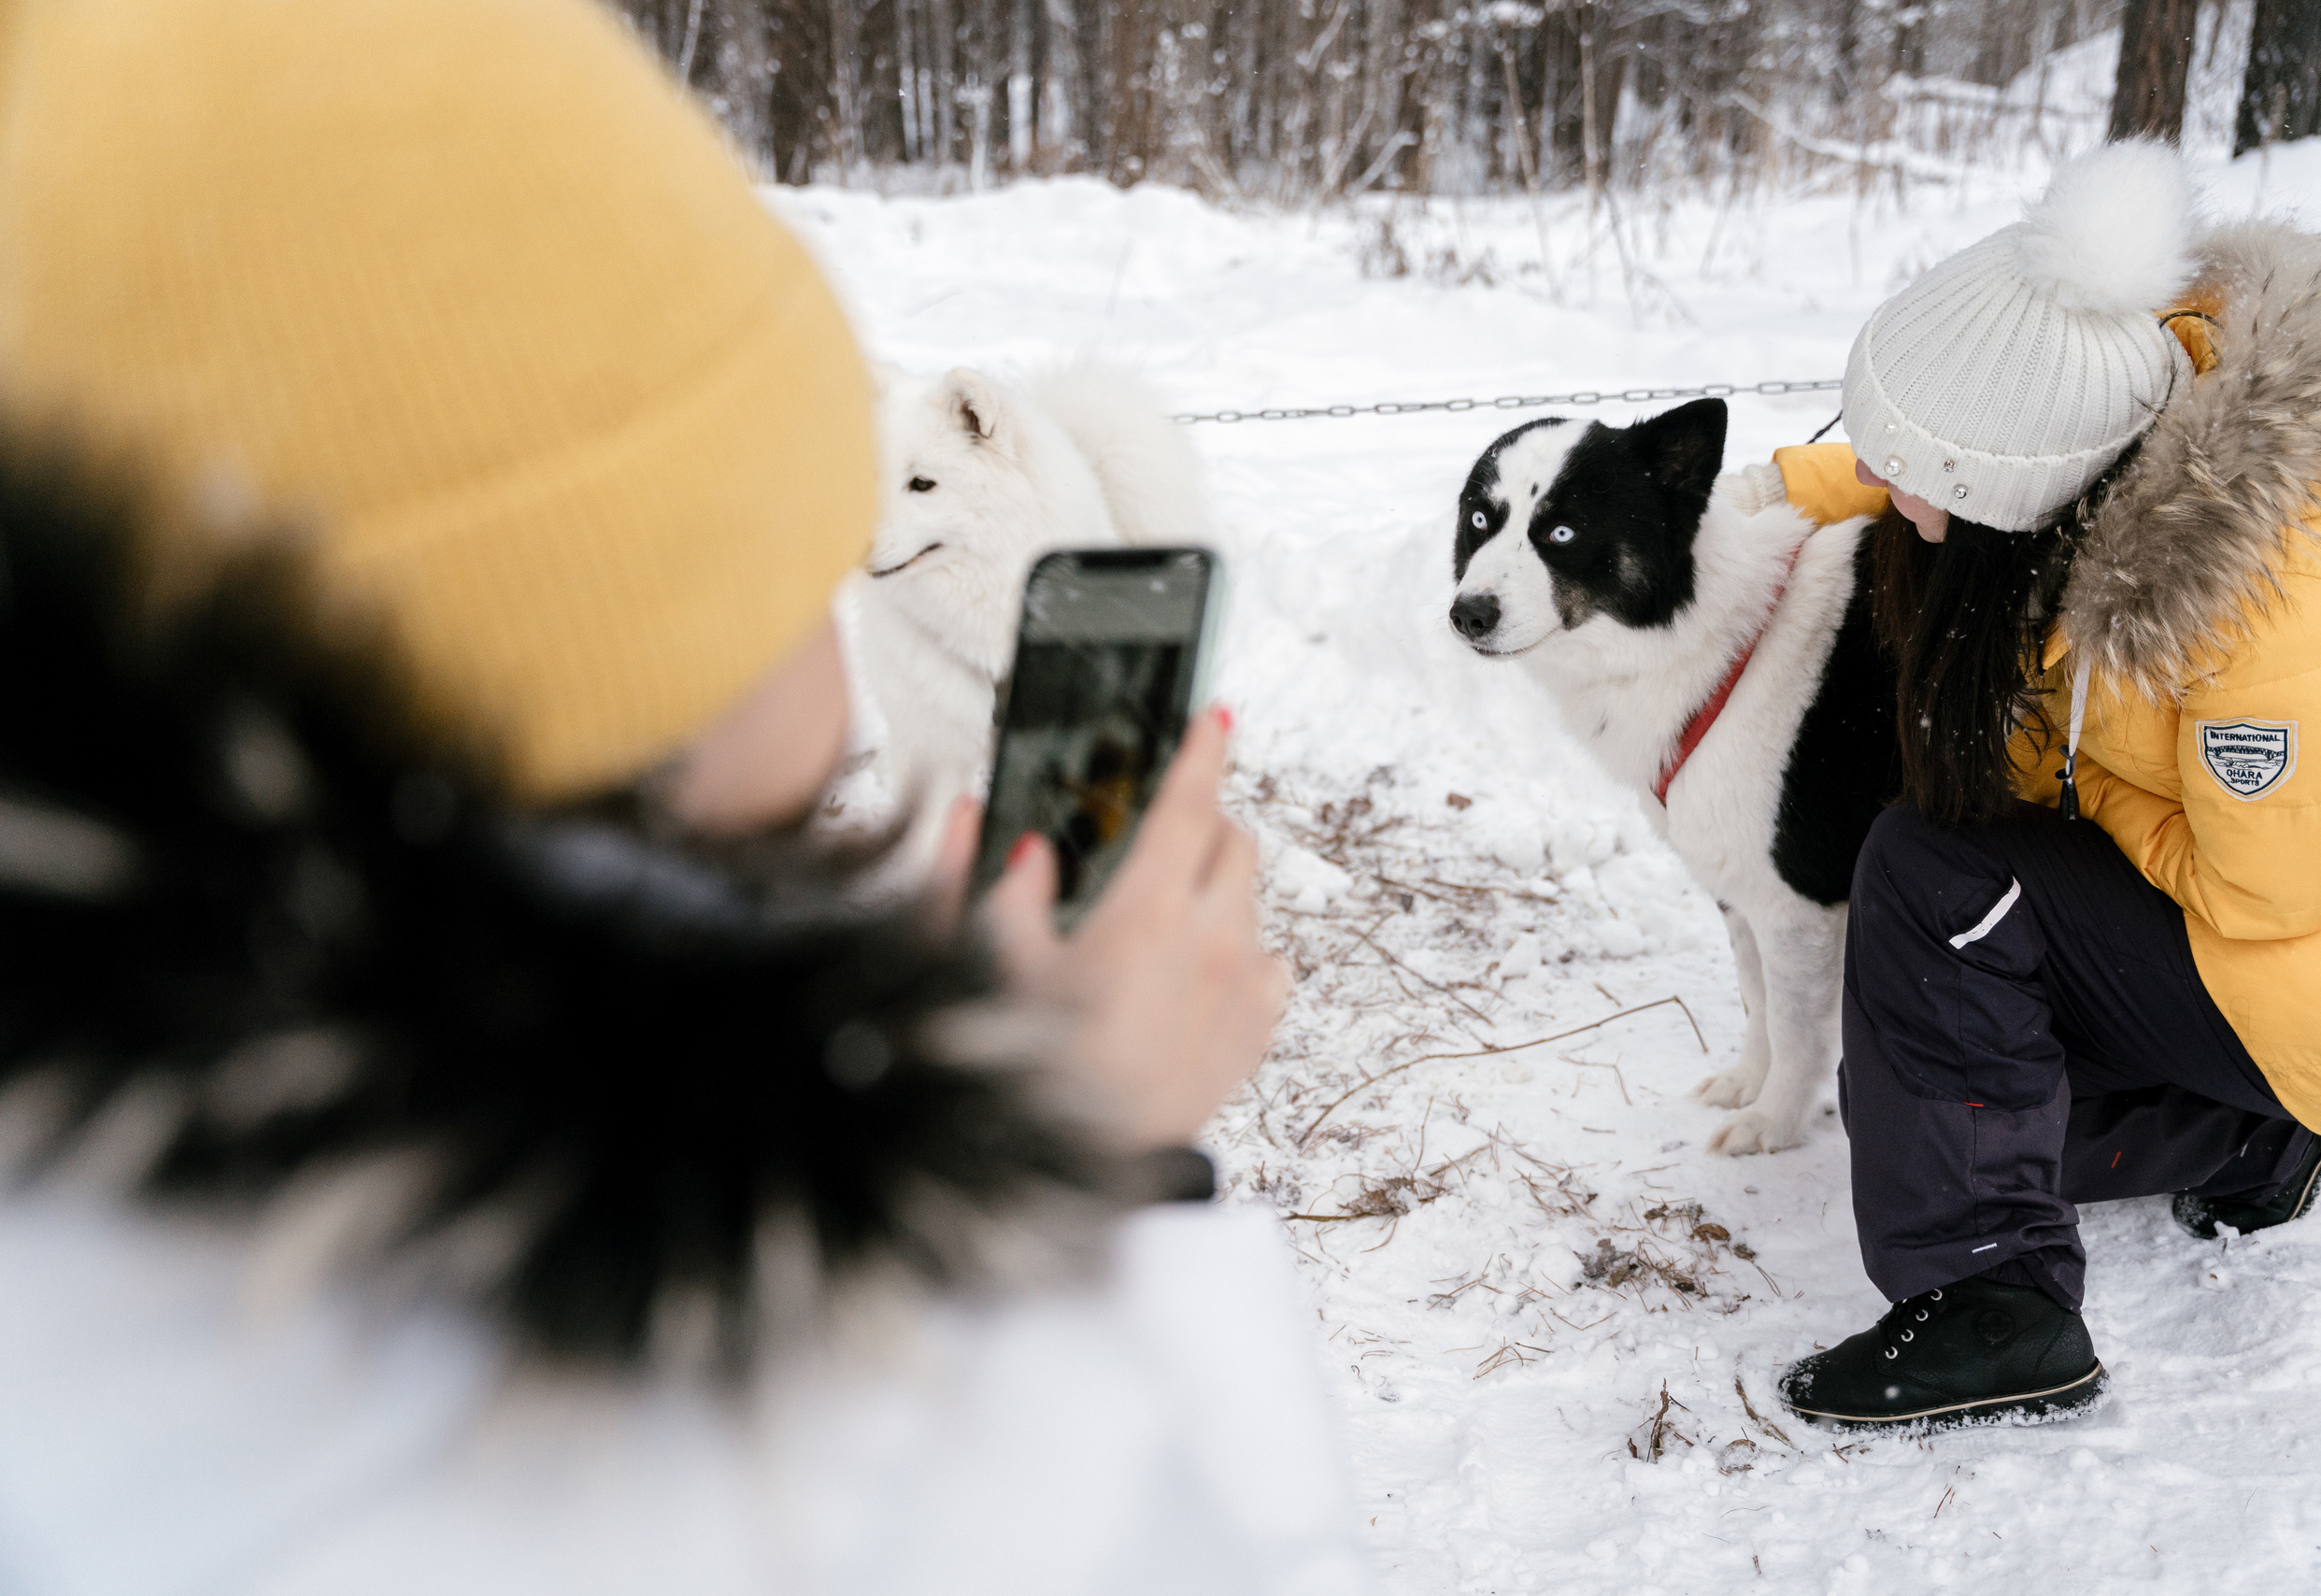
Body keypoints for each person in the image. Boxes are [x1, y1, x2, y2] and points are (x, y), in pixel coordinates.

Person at [0, 1, 1367, 1590]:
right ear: (601, 650)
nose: (846, 666)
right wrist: (1088, 1179)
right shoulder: (664, 1448)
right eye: (788, 563)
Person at [1760, 140, 2321, 1431]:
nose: (1882, 484)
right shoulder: (2121, 388)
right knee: (1940, 1112)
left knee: (1941, 879)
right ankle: (2255, 1135)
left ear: (2012, 487)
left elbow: (2267, 891)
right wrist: (1767, 489)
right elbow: (1957, 442)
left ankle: (1998, 1307)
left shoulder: (2264, 594)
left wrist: (2076, 780)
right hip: (2273, 952)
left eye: (1907, 466)